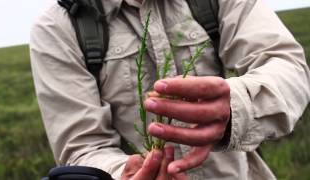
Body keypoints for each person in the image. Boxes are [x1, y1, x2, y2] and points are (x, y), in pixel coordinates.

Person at [30, 0, 310, 179]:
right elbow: (82, 148)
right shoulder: (58, 27)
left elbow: (287, 66)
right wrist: (122, 172)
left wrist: (235, 107)